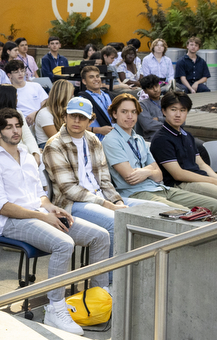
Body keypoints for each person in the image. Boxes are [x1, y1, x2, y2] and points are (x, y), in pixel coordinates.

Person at [0, 108, 87, 335]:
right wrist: (41, 215)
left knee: (100, 235)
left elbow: (40, 194)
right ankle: (55, 308)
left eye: (18, 126)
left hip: (39, 214)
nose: (16, 131)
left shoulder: (27, 156)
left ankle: (98, 295)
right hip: (13, 223)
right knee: (64, 244)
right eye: (9, 127)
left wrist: (51, 207)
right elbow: (3, 207)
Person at [45, 96, 154, 241]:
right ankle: (115, 264)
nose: (77, 121)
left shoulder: (93, 140)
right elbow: (69, 189)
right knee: (117, 222)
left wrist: (118, 202)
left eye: (82, 117)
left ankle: (135, 262)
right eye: (73, 116)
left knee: (153, 211)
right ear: (65, 117)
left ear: (90, 121)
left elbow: (104, 180)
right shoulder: (55, 145)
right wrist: (108, 205)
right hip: (73, 204)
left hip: (101, 197)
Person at [99, 93, 198, 211]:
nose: (130, 116)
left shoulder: (139, 139)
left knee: (216, 205)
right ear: (114, 114)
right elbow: (131, 178)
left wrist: (145, 172)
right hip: (136, 193)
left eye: (134, 112)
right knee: (186, 212)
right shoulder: (111, 140)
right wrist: (151, 170)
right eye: (124, 112)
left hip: (159, 188)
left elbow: (159, 176)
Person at [77, 64, 115, 137]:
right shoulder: (82, 99)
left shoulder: (109, 95)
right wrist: (99, 130)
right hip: (94, 141)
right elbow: (77, 126)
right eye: (91, 77)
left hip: (113, 139)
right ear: (84, 81)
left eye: (97, 76)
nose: (96, 79)